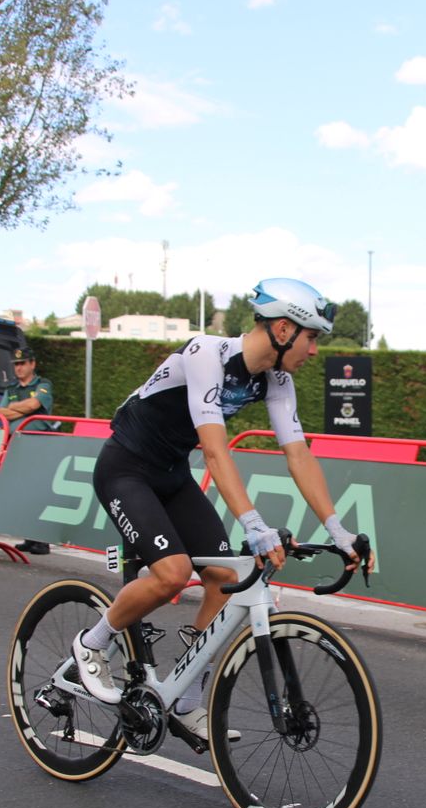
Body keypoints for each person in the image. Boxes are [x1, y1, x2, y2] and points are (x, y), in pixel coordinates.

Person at [70, 278, 365, 749]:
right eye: (312, 338)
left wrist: (338, 528)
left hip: (169, 476)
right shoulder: (205, 353)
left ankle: (185, 698)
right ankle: (93, 641)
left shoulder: (277, 381)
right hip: (125, 468)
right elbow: (214, 451)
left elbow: (299, 455)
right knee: (172, 574)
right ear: (285, 329)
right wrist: (252, 523)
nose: (314, 351)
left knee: (226, 578)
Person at [0, 348, 56, 555]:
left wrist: (16, 408)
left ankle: (42, 539)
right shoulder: (11, 387)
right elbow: (1, 412)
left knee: (39, 492)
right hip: (18, 444)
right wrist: (23, 408)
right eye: (16, 364)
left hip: (39, 444)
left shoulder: (43, 384)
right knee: (23, 492)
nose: (19, 367)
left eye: (22, 363)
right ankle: (29, 537)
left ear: (32, 364)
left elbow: (35, 404)